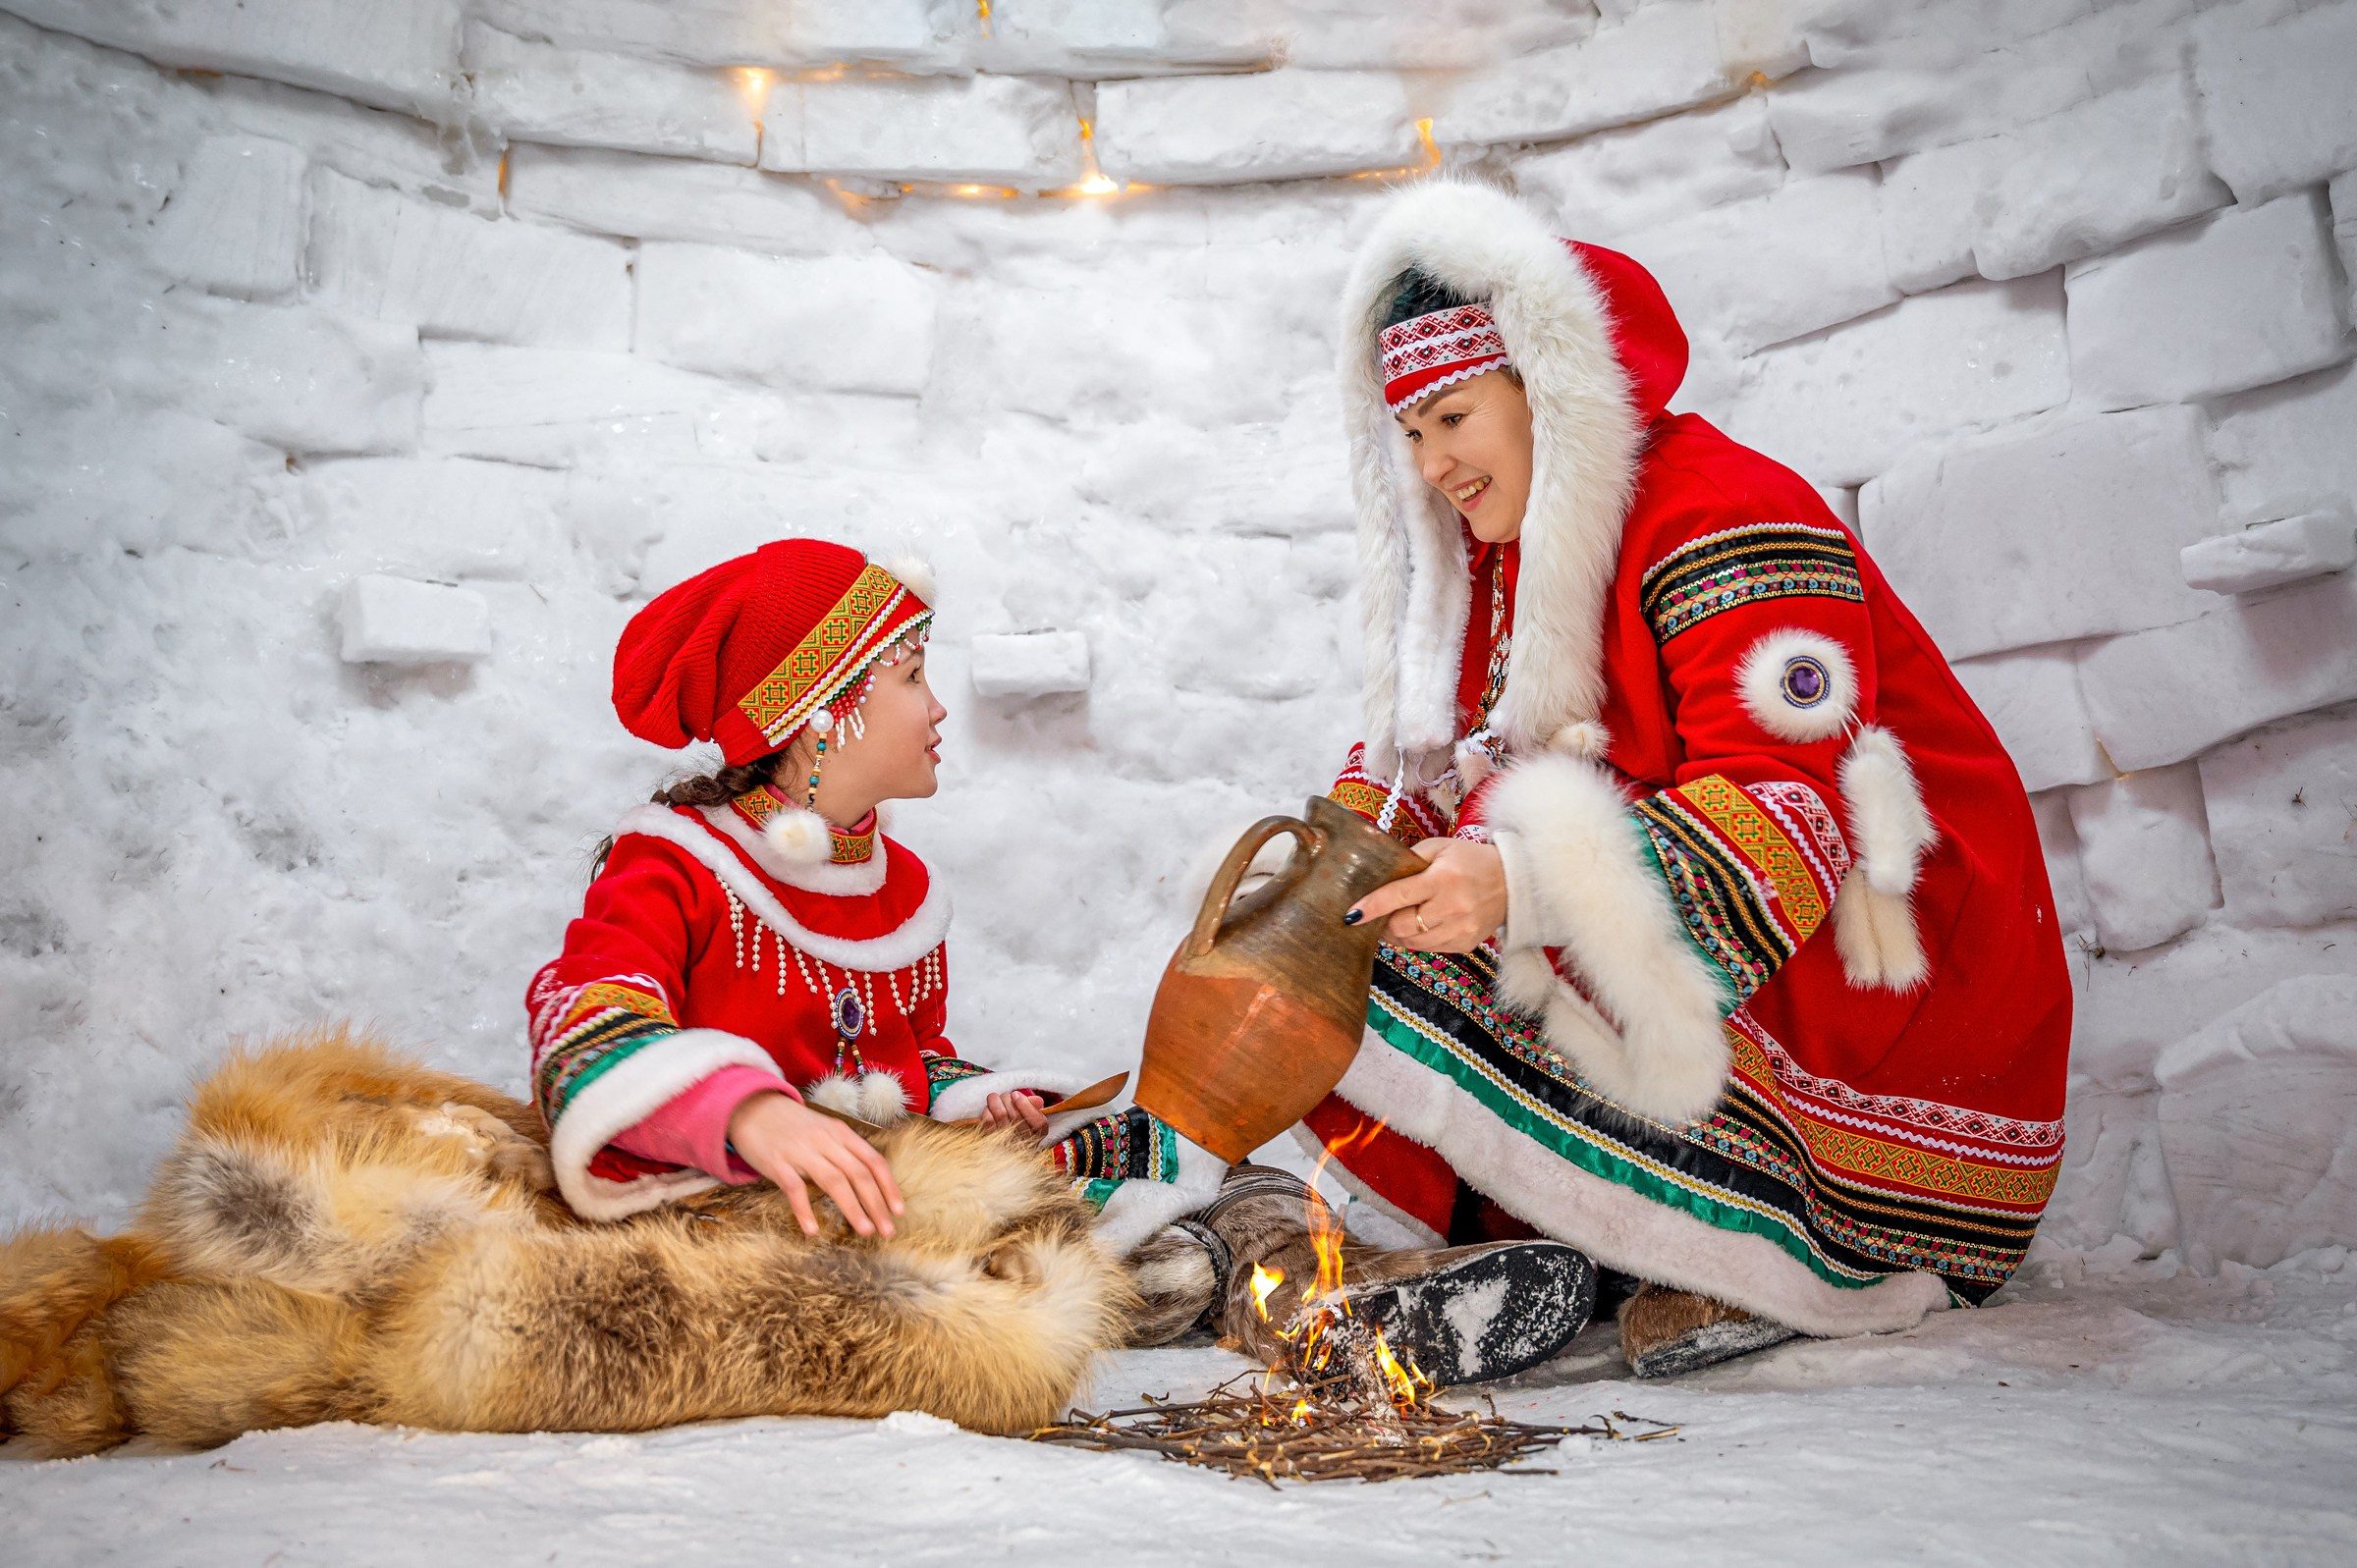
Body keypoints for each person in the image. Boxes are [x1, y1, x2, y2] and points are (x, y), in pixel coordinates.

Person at [1237, 179, 2071, 1379]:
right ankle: (1483, 1236)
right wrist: (1327, 867)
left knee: (1497, 890)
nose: (1433, 467)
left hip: (1898, 975)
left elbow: (1797, 810)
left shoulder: (1728, 516)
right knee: (1360, 914)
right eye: (1409, 434)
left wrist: (1519, 886)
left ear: (1555, 392)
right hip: (1718, 936)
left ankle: (1797, 1245)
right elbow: (1440, 760)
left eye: (1456, 418)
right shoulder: (1518, 556)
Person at [527, 539, 1227, 1337]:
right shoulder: (676, 863)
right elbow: (579, 1032)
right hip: (749, 1199)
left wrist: (975, 1108)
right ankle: (1179, 1273)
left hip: (889, 1178)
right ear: (825, 710)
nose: (937, 708)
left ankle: (1247, 1259)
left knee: (1139, 1140)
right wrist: (752, 1114)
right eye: (912, 677)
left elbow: (909, 1059)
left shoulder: (903, 887)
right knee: (1091, 1241)